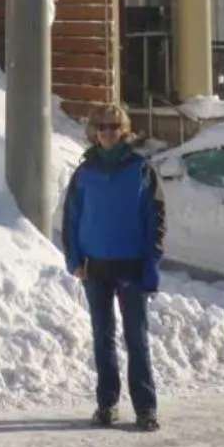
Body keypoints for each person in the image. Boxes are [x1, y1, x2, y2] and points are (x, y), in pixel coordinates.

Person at [59, 104, 165, 430]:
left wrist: (152, 263)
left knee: (136, 338)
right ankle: (107, 405)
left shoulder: (141, 169)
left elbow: (155, 219)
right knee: (102, 338)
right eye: (101, 127)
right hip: (95, 268)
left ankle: (146, 408)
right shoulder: (84, 173)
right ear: (93, 131)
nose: (107, 132)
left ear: (124, 130)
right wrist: (73, 259)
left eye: (114, 127)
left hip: (132, 266)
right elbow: (71, 218)